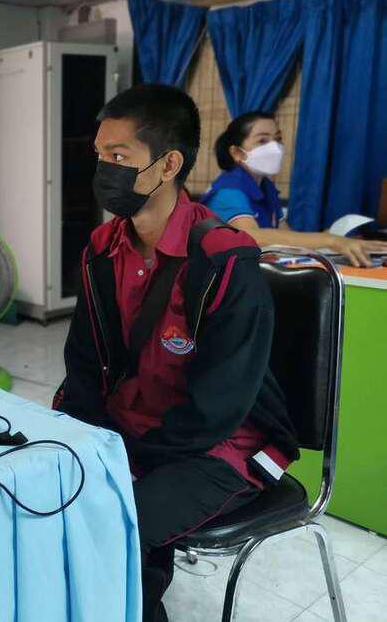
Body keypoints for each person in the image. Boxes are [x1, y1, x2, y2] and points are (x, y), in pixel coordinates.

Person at [53, 85, 299, 622]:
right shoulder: (102, 248)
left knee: (117, 526)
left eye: (119, 156)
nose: (104, 169)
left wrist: (132, 462)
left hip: (222, 445)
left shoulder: (223, 258)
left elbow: (220, 405)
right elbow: (85, 363)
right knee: (48, 498)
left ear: (168, 165)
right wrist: (83, 442)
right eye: (100, 154)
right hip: (137, 428)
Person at [202, 112, 387, 266]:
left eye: (278, 139)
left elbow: (286, 235)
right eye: (262, 141)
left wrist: (330, 238)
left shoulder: (267, 188)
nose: (275, 147)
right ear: (237, 152)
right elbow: (252, 236)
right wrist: (330, 241)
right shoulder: (227, 192)